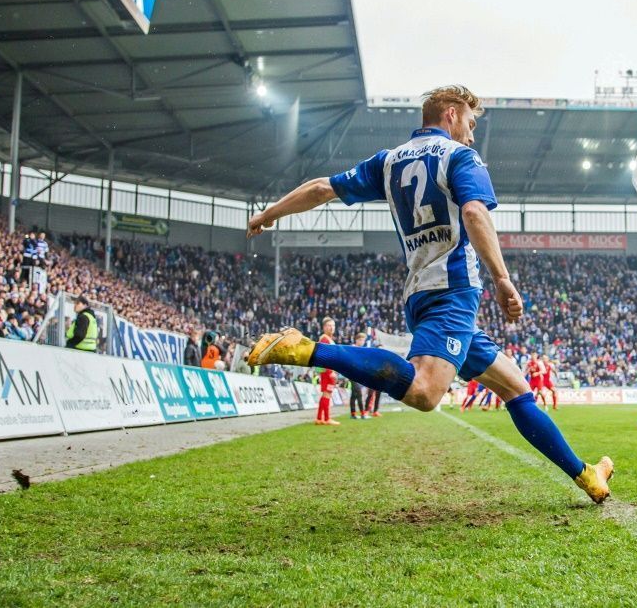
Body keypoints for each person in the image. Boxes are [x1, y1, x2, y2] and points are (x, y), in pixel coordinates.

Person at [246, 85, 613, 502]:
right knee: (424, 393)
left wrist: (268, 213)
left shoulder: (388, 162)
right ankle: (306, 350)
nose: (472, 136)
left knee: (515, 387)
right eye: (470, 124)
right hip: (453, 290)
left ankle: (587, 475)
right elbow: (474, 212)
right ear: (452, 114)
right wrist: (502, 277)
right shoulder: (461, 157)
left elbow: (321, 188)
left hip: (420, 293)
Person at [349, 332, 368, 419]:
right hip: (352, 373)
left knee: (354, 394)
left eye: (363, 340)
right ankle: (363, 414)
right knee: (359, 392)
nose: (362, 342)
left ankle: (353, 414)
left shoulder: (362, 350)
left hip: (358, 374)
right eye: (360, 340)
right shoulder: (352, 348)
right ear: (356, 340)